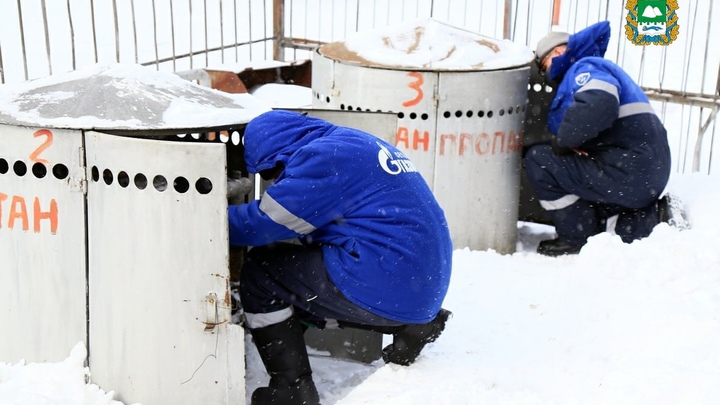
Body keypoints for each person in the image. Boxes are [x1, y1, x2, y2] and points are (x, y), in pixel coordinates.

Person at [228, 110, 453, 405]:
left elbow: (260, 224)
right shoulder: (353, 142)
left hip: (387, 277)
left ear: (279, 150)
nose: (276, 179)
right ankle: (414, 324)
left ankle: (293, 389)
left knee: (263, 272)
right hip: (419, 284)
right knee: (300, 282)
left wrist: (203, 212)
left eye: (272, 171)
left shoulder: (324, 157)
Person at [524, 21, 673, 257]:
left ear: (560, 52)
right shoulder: (598, 67)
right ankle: (647, 220)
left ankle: (576, 237)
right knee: (589, 203)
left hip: (630, 168)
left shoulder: (584, 67)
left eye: (547, 66)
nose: (549, 75)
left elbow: (600, 101)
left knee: (539, 160)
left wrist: (564, 141)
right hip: (644, 172)